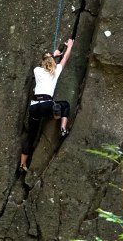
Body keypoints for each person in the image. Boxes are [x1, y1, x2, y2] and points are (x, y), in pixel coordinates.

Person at [19, 38, 75, 174]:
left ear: (43, 63)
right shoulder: (55, 71)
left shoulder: (37, 70)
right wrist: (69, 47)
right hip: (46, 106)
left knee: (31, 136)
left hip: (34, 108)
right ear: (52, 63)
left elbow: (45, 59)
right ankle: (62, 127)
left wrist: (53, 54)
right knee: (65, 105)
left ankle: (22, 165)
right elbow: (65, 59)